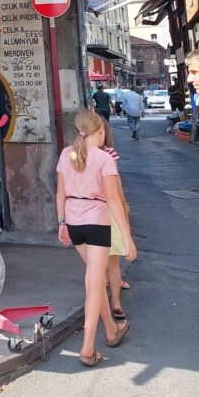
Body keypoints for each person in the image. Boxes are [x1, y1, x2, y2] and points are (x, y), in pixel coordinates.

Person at [56, 109, 136, 366]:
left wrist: (61, 223)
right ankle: (87, 348)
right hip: (97, 223)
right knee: (94, 283)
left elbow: (60, 194)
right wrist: (127, 236)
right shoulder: (104, 158)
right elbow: (112, 199)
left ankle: (111, 329)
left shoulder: (66, 154)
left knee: (95, 279)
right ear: (99, 132)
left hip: (74, 222)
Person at [102, 121, 130, 320]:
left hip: (87, 215)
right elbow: (115, 184)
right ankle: (116, 304)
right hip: (109, 211)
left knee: (97, 263)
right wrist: (124, 209)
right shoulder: (109, 154)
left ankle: (104, 290)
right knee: (113, 262)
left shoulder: (76, 154)